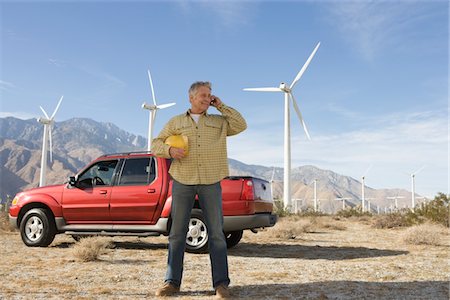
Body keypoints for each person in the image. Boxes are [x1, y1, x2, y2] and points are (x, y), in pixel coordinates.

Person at [151, 81, 247, 298]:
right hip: (183, 180)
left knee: (217, 234)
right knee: (177, 234)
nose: (207, 98)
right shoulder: (176, 122)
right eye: (203, 95)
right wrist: (169, 149)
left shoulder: (219, 122)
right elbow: (155, 144)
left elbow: (241, 124)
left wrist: (221, 105)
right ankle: (171, 282)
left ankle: (221, 285)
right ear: (191, 98)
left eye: (210, 95)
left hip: (211, 181)